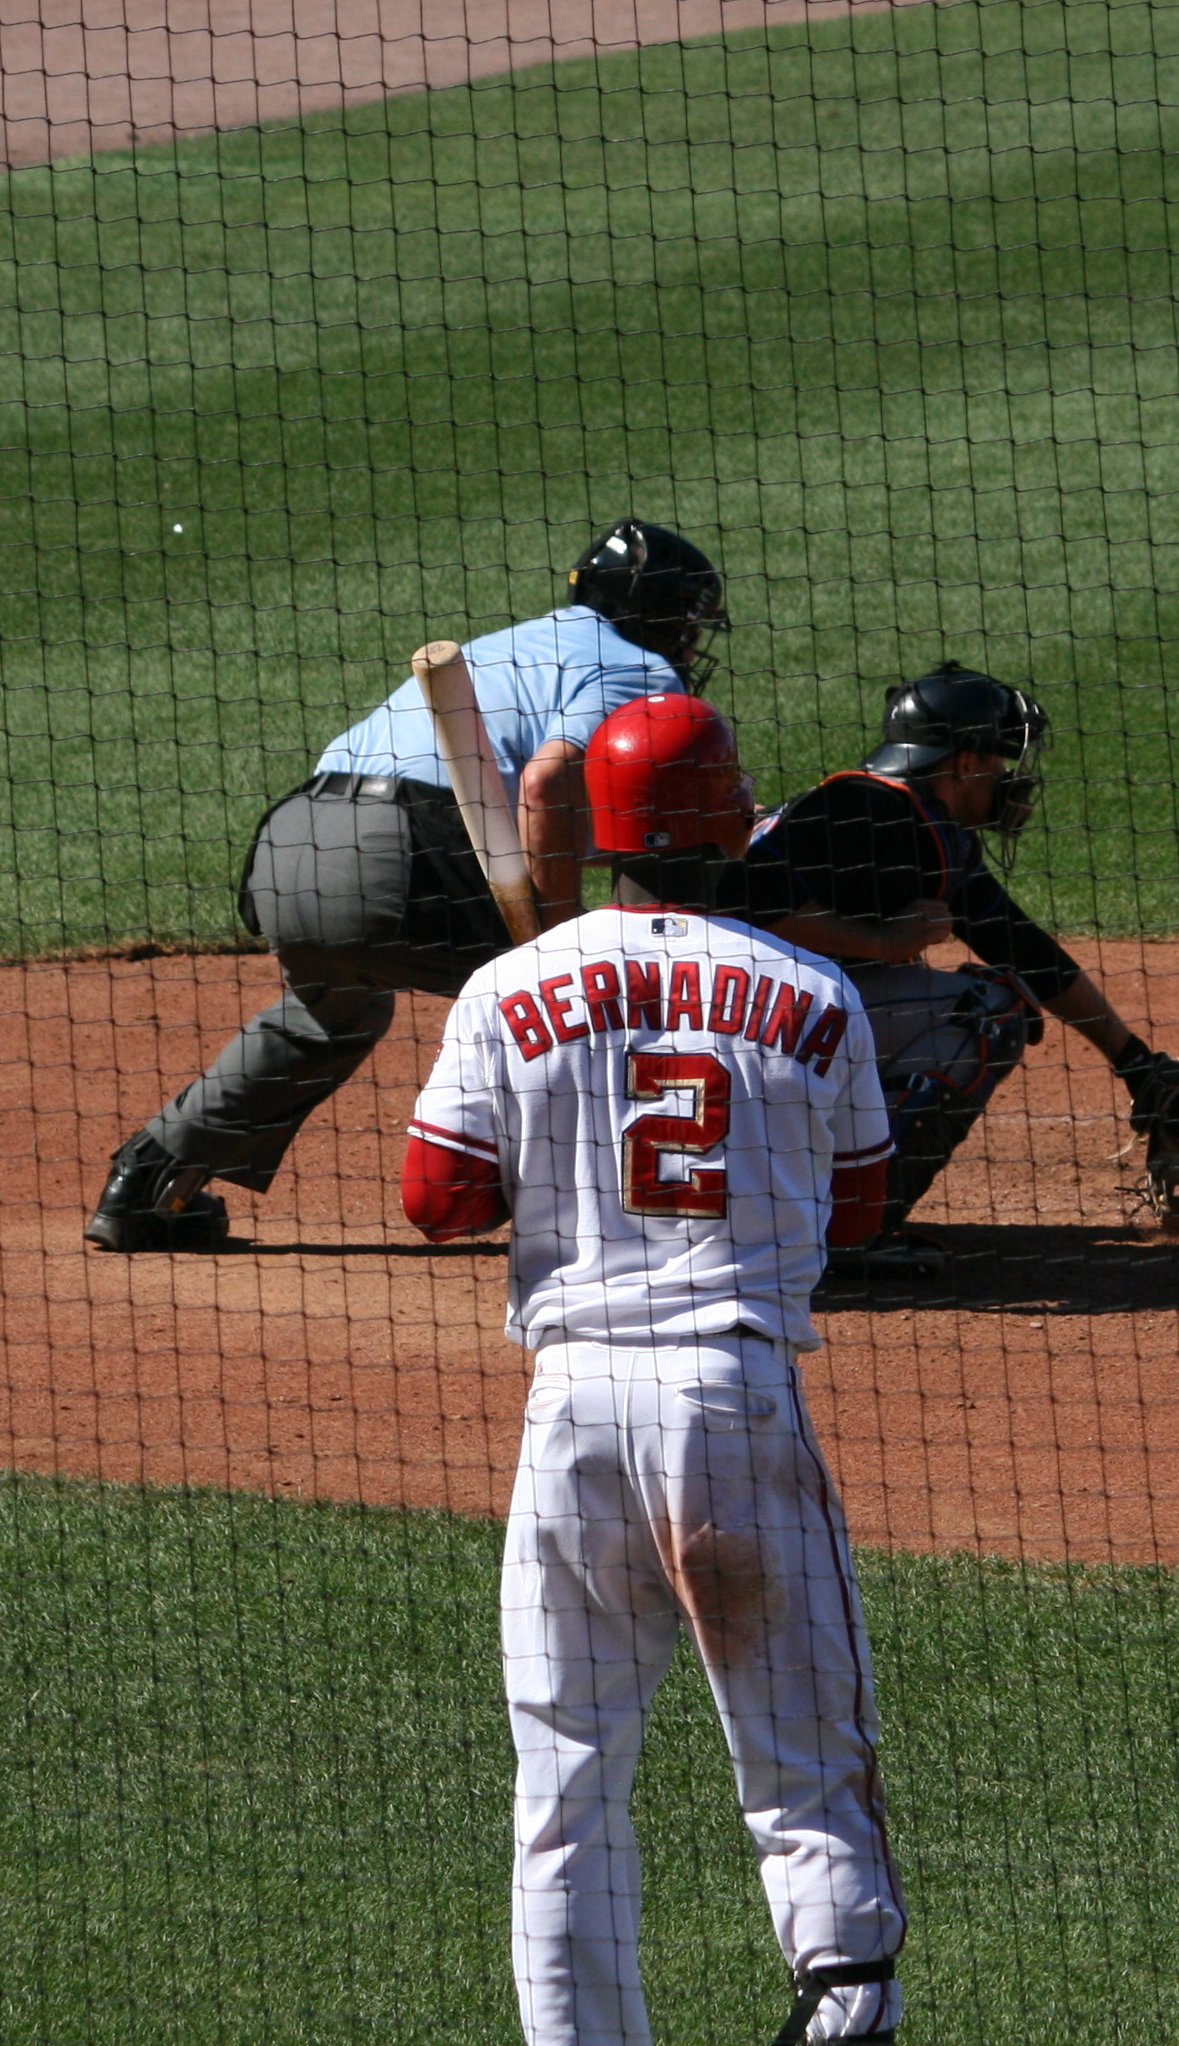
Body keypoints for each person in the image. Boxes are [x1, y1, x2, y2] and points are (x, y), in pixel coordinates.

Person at [401, 691, 909, 2046]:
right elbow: (862, 1209)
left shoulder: (511, 987)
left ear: (607, 832)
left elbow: (436, 1201)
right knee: (803, 1751)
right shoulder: (817, 991)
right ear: (736, 827)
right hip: (731, 1399)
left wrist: (551, 1132)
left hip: (573, 1410)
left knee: (564, 1780)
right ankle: (846, 2010)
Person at [91, 519, 728, 1251]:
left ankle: (145, 1183)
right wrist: (557, 953)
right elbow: (547, 782)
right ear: (660, 615)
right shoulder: (638, 670)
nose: (690, 646)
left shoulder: (515, 643)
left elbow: (533, 810)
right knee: (593, 1004)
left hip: (294, 844)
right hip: (408, 850)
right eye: (689, 626)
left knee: (329, 1015)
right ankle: (627, 1202)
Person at [725, 664, 1179, 1271]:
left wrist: (1134, 1061)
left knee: (981, 997)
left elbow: (1020, 946)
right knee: (987, 1013)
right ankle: (850, 1228)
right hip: (733, 1024)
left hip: (743, 1028)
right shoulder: (871, 813)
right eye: (999, 762)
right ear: (966, 762)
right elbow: (736, 906)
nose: (1009, 779)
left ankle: (816, 1205)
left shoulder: (909, 821)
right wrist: (878, 940)